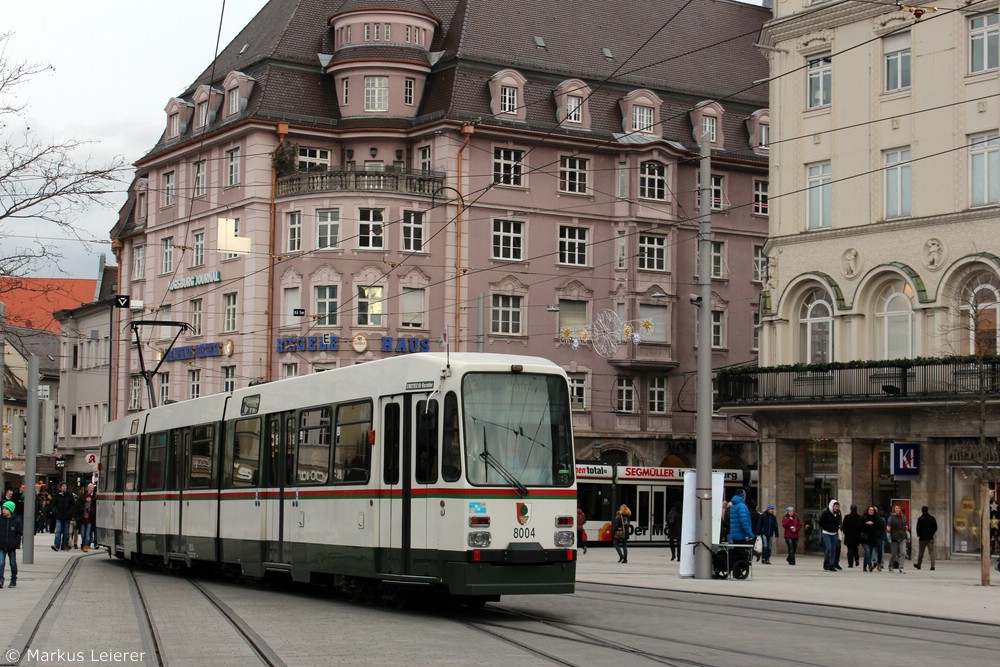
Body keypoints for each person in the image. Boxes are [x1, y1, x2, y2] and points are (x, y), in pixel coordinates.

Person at [0, 501, 22, 588]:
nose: (3, 510)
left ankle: (13, 579)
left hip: (11, 546)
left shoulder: (16, 521)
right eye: (3, 509)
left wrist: (15, 543)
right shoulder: (1, 520)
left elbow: (19, 534)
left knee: (12, 563)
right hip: (1, 545)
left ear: (11, 510)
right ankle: (0, 580)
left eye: (6, 509)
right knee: (1, 562)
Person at [819, 499, 843, 571]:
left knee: (834, 549)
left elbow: (839, 521)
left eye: (838, 506)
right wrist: (826, 527)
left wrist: (838, 527)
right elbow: (821, 522)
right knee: (829, 548)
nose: (836, 508)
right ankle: (826, 561)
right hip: (826, 533)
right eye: (835, 506)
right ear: (832, 506)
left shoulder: (838, 513)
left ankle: (832, 564)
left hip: (834, 533)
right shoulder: (826, 512)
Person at [51, 482, 76, 551]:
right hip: (59, 516)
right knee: (58, 531)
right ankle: (57, 544)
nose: (64, 488)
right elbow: (54, 505)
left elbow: (73, 505)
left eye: (65, 486)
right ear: (60, 488)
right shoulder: (57, 495)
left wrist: (70, 513)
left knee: (66, 532)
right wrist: (56, 512)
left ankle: (65, 545)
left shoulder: (69, 495)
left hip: (67, 516)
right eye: (63, 486)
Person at [861, 505, 884, 572]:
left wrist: (873, 524)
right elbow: (860, 526)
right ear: (867, 511)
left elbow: (879, 526)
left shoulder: (877, 518)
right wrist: (866, 524)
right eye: (870, 510)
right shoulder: (864, 517)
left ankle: (866, 566)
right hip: (865, 538)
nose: (871, 511)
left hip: (871, 538)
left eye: (872, 510)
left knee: (869, 552)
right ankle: (869, 564)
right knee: (867, 551)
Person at [913, 505, 937, 571]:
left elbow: (918, 528)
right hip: (930, 538)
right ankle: (932, 566)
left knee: (921, 552)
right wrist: (932, 533)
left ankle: (919, 565)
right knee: (931, 552)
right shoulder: (932, 518)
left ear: (922, 511)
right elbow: (935, 527)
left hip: (922, 538)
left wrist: (919, 535)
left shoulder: (920, 519)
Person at [887, 504, 908, 573]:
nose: (898, 510)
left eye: (899, 508)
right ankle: (890, 565)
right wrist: (888, 537)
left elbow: (906, 527)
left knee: (903, 552)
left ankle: (901, 567)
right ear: (894, 509)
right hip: (894, 537)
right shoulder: (891, 517)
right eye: (896, 508)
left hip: (902, 537)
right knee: (894, 554)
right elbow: (888, 528)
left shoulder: (903, 517)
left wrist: (908, 536)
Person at [842, 504, 863, 568]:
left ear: (850, 509)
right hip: (856, 536)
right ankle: (856, 559)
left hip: (849, 536)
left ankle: (850, 563)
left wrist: (846, 533)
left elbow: (844, 527)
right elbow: (861, 527)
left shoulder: (847, 517)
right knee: (855, 548)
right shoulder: (859, 517)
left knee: (850, 549)